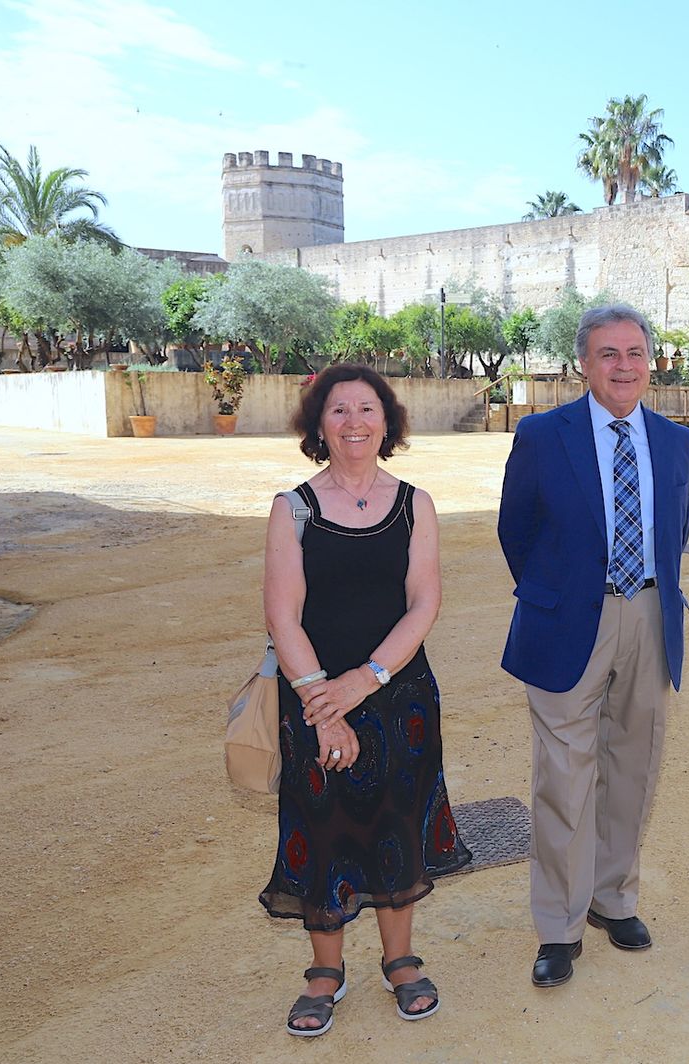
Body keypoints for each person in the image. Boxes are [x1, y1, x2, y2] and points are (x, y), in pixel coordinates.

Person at [260, 364, 471, 1036]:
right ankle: (325, 973)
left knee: (396, 822)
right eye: (339, 410)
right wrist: (325, 702)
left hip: (399, 696)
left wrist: (366, 681)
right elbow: (282, 616)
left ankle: (401, 960)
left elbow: (424, 602)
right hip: (311, 694)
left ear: (388, 420)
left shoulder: (417, 504)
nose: (355, 422)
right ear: (319, 425)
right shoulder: (291, 508)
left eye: (368, 408)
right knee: (321, 824)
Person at [498, 304, 689, 989]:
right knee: (563, 778)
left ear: (651, 360)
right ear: (584, 362)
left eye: (635, 352)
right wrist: (558, 593)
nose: (624, 366)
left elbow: (676, 531)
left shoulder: (676, 442)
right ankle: (558, 924)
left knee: (634, 765)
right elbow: (515, 532)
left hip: (649, 614)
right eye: (609, 354)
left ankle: (614, 899)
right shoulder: (541, 435)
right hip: (565, 624)